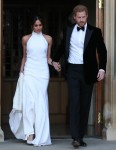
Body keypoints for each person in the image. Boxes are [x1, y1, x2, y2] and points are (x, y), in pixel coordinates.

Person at [52, 4, 107, 148]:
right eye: (79, 17)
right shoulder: (68, 30)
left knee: (84, 105)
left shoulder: (95, 31)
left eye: (84, 17)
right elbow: (61, 47)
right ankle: (75, 137)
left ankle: (80, 136)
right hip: (73, 71)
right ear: (74, 17)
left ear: (87, 16)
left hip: (88, 72)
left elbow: (102, 51)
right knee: (75, 103)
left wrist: (102, 69)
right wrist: (54, 61)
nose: (82, 20)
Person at [9, 15, 60, 146]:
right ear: (32, 26)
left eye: (40, 25)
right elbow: (24, 57)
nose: (38, 27)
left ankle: (41, 135)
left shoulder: (48, 39)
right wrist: (21, 72)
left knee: (41, 103)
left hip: (43, 73)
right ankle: (29, 133)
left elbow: (47, 58)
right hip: (29, 72)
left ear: (43, 25)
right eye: (36, 25)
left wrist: (53, 63)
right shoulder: (25, 39)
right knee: (29, 103)